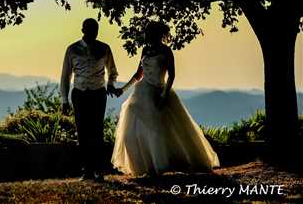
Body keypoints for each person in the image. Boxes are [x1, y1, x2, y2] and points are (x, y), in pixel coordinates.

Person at [111, 21, 220, 176]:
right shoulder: (146, 50)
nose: (146, 35)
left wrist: (164, 95)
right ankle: (146, 165)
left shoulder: (166, 51)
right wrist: (123, 89)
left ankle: (166, 164)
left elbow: (172, 75)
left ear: (156, 34)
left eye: (149, 32)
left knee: (160, 130)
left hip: (159, 91)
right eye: (146, 32)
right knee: (133, 131)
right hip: (141, 92)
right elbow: (138, 74)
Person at [60, 18, 119, 182]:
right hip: (79, 93)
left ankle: (99, 169)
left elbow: (113, 71)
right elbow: (65, 76)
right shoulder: (72, 49)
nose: (94, 32)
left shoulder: (104, 48)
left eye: (96, 29)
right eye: (90, 29)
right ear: (83, 30)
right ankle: (86, 170)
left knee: (97, 131)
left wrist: (110, 84)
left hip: (98, 93)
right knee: (82, 132)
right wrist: (64, 100)